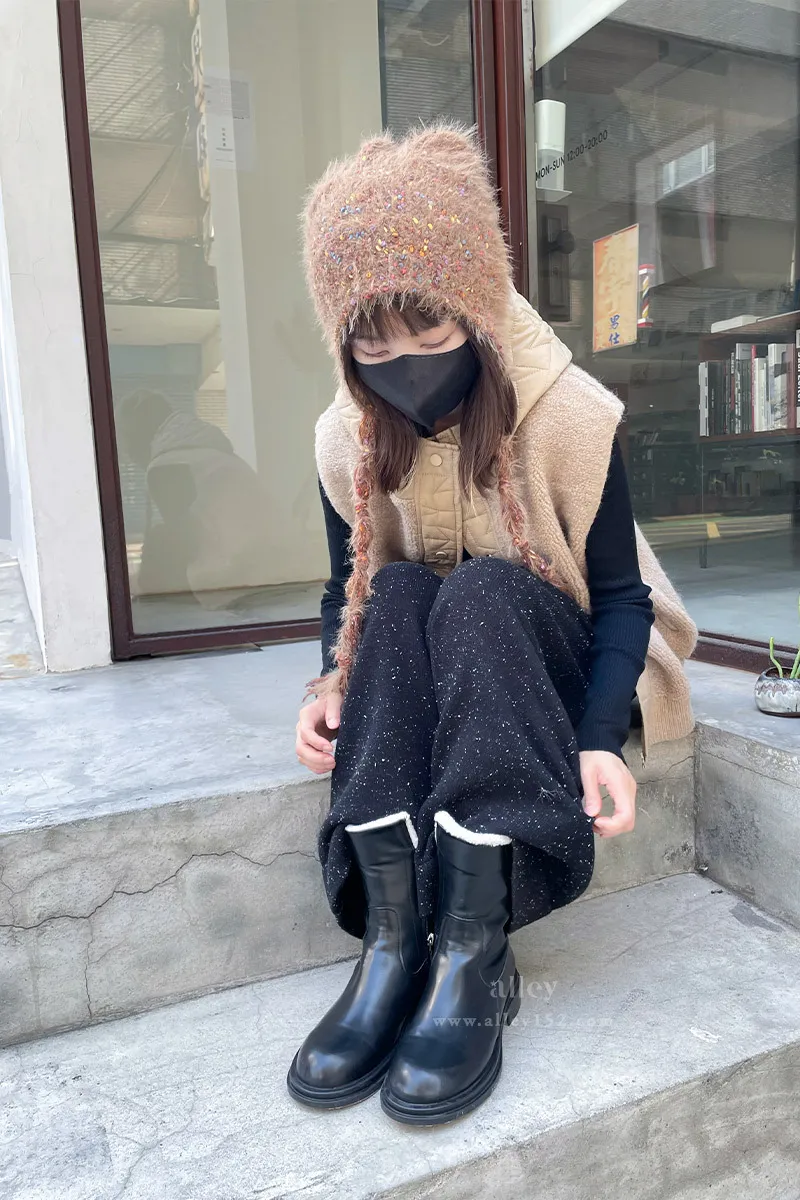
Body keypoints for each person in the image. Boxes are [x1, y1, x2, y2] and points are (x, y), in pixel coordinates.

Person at [287, 121, 698, 1127]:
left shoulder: (570, 413)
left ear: (474, 306)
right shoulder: (345, 436)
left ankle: (474, 947)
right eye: (372, 344)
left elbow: (620, 599)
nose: (404, 363)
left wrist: (598, 736)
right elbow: (350, 587)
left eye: (431, 334)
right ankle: (393, 943)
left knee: (478, 592)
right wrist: (329, 684)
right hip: (445, 651)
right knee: (401, 597)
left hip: (562, 650)